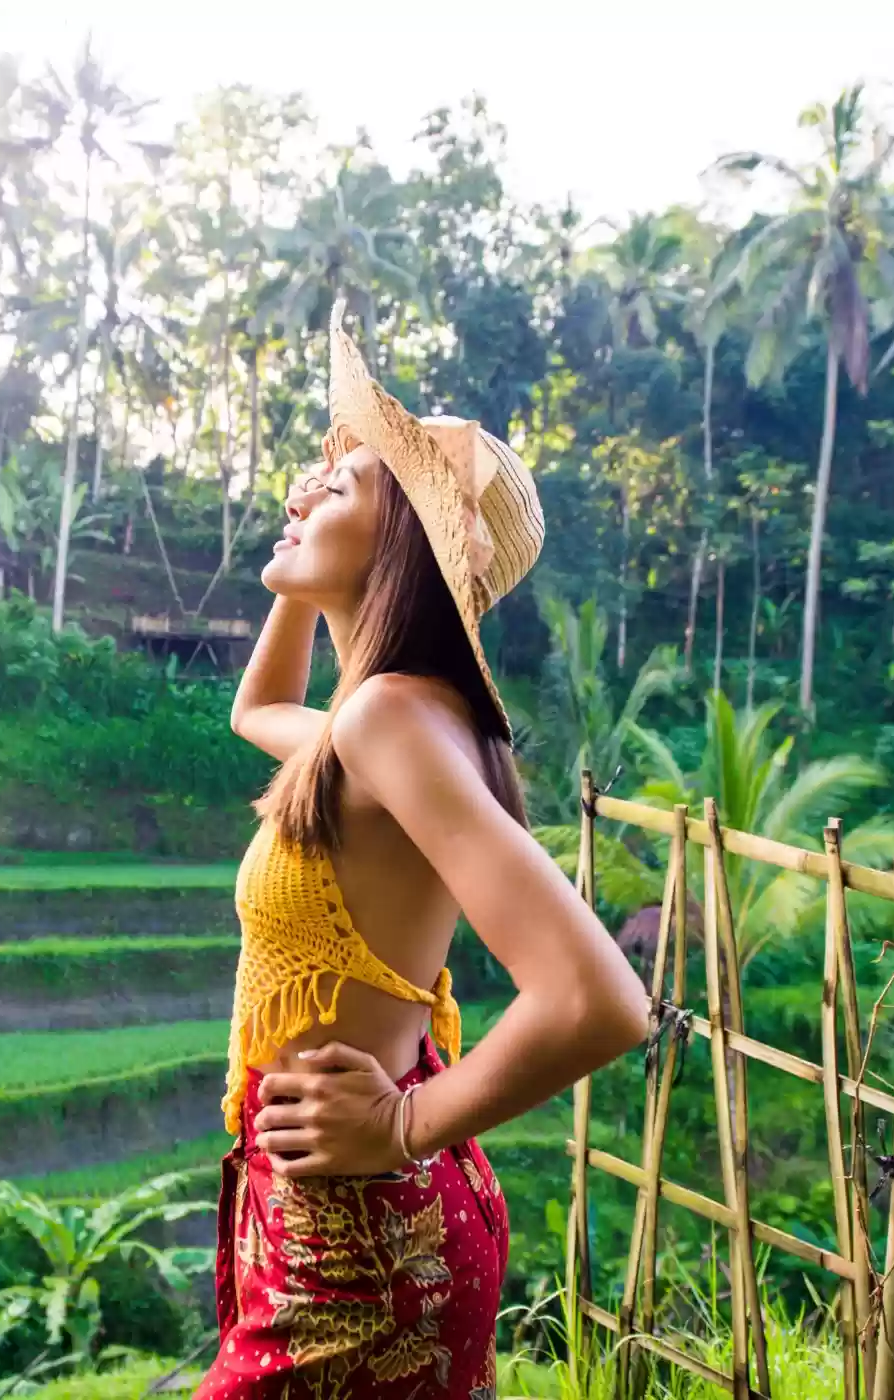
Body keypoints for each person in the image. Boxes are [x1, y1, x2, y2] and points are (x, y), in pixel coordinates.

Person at [197, 312, 653, 1399]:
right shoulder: (391, 725)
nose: (302, 493)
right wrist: (307, 576)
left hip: (360, 1244)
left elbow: (601, 999)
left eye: (340, 485)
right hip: (344, 1219)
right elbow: (258, 708)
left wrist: (401, 1121)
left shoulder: (391, 723)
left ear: (403, 545)